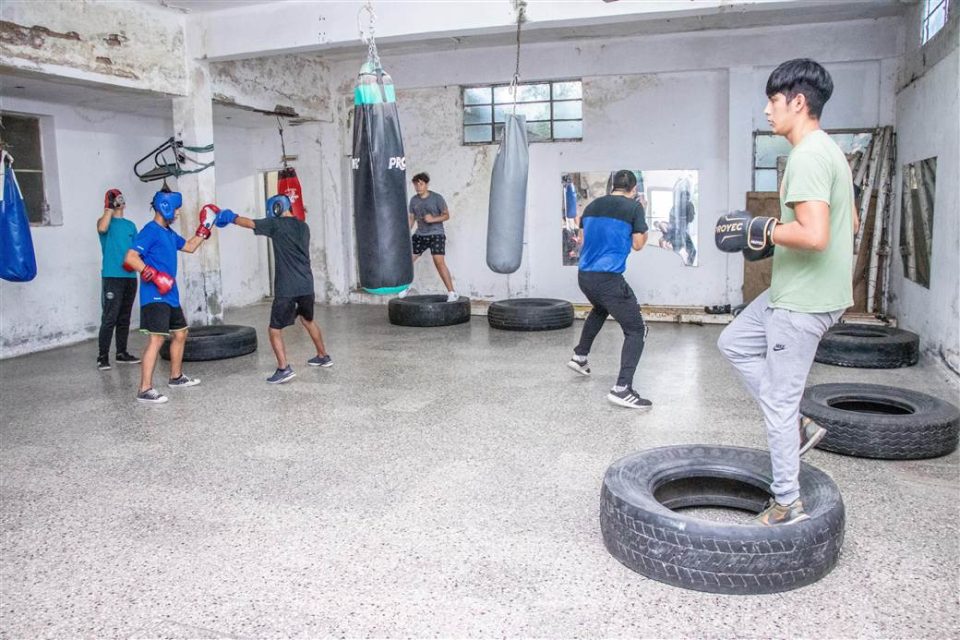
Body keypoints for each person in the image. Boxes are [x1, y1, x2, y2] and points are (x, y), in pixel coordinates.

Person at [715, 58, 858, 526]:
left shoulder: (807, 156)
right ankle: (795, 425)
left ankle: (787, 503)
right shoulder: (831, 152)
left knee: (778, 400)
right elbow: (849, 222)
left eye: (773, 101)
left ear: (799, 102)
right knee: (732, 342)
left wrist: (765, 228)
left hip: (802, 301)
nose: (766, 110)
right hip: (795, 289)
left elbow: (815, 235)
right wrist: (778, 233)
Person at [215, 195, 332, 384]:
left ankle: (283, 368)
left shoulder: (276, 225)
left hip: (287, 287)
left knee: (274, 329)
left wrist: (230, 217)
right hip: (306, 285)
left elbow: (249, 223)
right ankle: (323, 356)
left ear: (276, 208)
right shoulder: (303, 226)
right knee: (308, 320)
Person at [123, 190, 219, 404]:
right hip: (154, 294)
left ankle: (175, 377)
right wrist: (153, 275)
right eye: (175, 209)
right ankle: (144, 389)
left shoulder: (168, 233)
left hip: (170, 294)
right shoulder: (150, 231)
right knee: (156, 338)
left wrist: (206, 227)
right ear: (165, 207)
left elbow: (190, 246)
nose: (177, 213)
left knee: (181, 333)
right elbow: (130, 257)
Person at [566, 169, 651, 410]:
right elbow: (638, 245)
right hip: (608, 278)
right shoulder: (634, 208)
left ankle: (580, 356)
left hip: (585, 276)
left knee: (600, 309)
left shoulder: (592, 207)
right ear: (633, 189)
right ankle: (622, 388)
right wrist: (644, 226)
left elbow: (582, 240)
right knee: (637, 329)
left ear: (612, 186)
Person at [96, 188, 140, 370]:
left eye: (121, 197)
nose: (120, 200)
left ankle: (121, 353)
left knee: (124, 317)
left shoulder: (130, 225)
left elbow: (137, 250)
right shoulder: (105, 222)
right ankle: (102, 356)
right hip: (112, 276)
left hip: (130, 276)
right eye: (116, 198)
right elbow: (102, 227)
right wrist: (108, 207)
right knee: (109, 317)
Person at [399, 172, 458, 302]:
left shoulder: (437, 198)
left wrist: (433, 219)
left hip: (436, 234)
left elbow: (446, 215)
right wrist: (404, 233)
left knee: (439, 262)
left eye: (421, 184)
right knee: (406, 261)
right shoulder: (414, 200)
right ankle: (405, 286)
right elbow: (412, 218)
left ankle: (452, 292)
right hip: (420, 234)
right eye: (416, 184)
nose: (418, 187)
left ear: (426, 184)